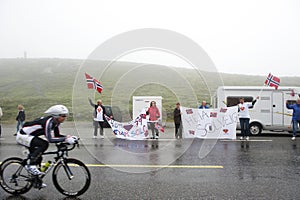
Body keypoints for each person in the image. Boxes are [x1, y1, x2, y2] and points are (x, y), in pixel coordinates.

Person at [16, 105, 77, 179]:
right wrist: (65, 139)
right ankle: (30, 165)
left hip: (31, 136)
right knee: (44, 144)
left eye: (66, 116)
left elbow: (57, 135)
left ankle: (36, 180)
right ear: (56, 116)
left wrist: (69, 137)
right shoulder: (48, 122)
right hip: (23, 135)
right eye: (63, 116)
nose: (65, 118)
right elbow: (50, 139)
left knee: (39, 157)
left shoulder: (55, 123)